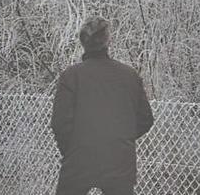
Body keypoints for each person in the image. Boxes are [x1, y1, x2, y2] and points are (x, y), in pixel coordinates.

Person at [51, 17, 154, 195]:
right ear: (108, 41)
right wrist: (120, 137)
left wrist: (72, 148)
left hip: (79, 159)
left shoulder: (71, 76)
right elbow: (146, 119)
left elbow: (60, 123)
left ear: (83, 42)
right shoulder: (129, 76)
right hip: (119, 159)